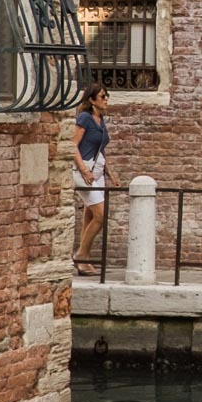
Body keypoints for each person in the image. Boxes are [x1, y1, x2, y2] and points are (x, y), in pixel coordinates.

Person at [72, 84, 115, 276]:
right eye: (102, 96)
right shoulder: (85, 118)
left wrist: (111, 173)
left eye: (107, 96)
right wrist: (83, 171)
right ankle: (81, 255)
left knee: (90, 216)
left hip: (98, 173)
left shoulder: (100, 120)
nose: (106, 99)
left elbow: (100, 150)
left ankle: (84, 260)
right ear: (92, 99)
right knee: (101, 215)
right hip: (86, 173)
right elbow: (73, 146)